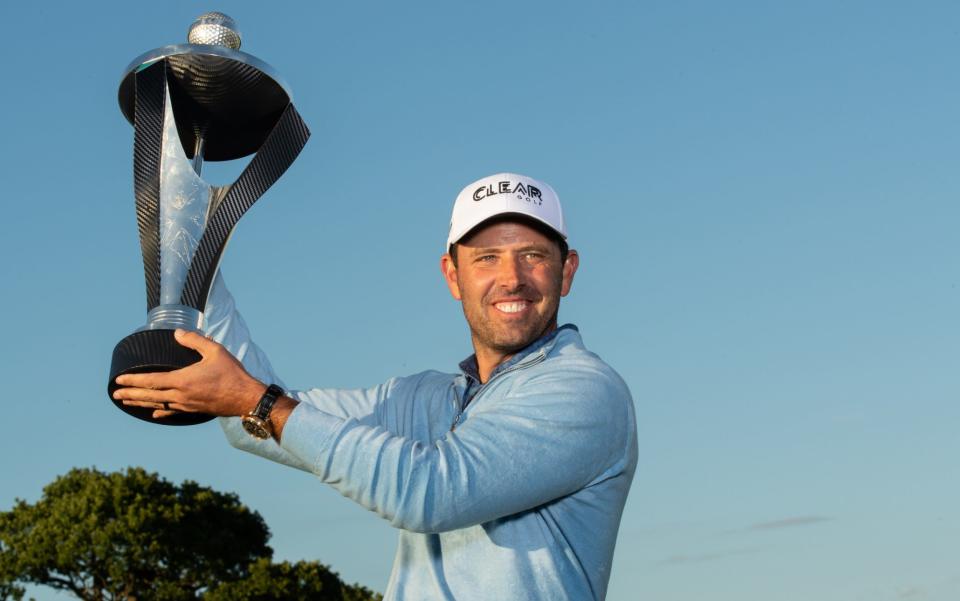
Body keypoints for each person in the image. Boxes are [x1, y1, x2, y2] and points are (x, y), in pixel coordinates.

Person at [114, 172, 638, 601]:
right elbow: (254, 422)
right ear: (452, 275)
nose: (512, 278)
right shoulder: (422, 399)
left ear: (566, 272)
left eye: (533, 255)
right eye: (486, 258)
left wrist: (257, 401)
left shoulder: (586, 391)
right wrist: (201, 260)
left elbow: (429, 492)